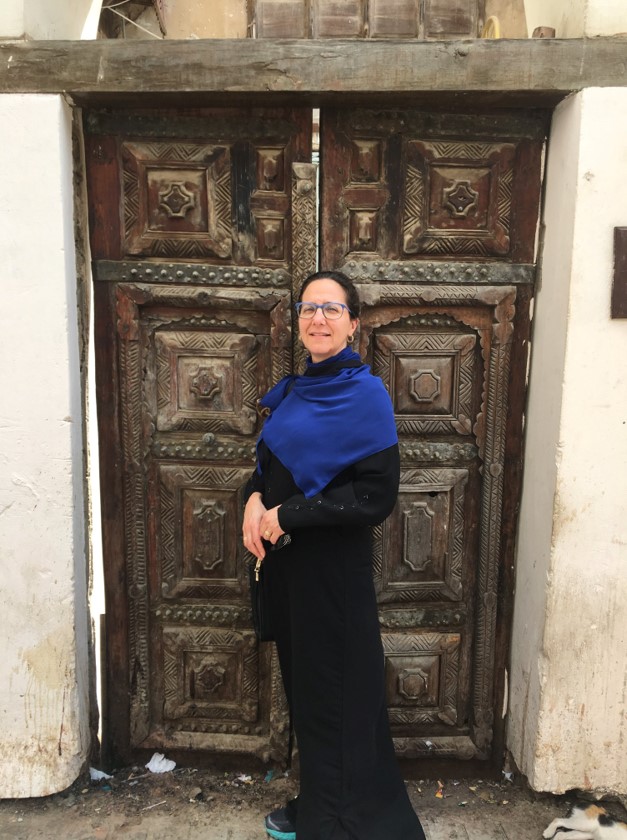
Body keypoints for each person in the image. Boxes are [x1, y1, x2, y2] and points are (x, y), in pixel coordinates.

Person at [242, 270, 426, 840]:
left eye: (331, 309)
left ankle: (338, 823)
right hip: (291, 572)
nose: (318, 318)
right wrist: (253, 498)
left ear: (353, 323)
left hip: (331, 576)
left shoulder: (364, 394)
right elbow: (270, 465)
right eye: (308, 308)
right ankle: (324, 800)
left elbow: (375, 496)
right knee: (311, 695)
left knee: (338, 697)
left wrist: (285, 516)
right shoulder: (298, 389)